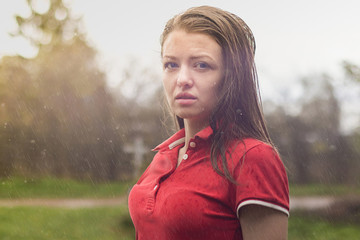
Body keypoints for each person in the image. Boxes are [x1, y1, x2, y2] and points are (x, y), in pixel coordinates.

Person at [128, 5, 289, 240]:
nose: (182, 79)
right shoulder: (164, 156)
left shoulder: (253, 158)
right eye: (171, 65)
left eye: (201, 65)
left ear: (231, 77)